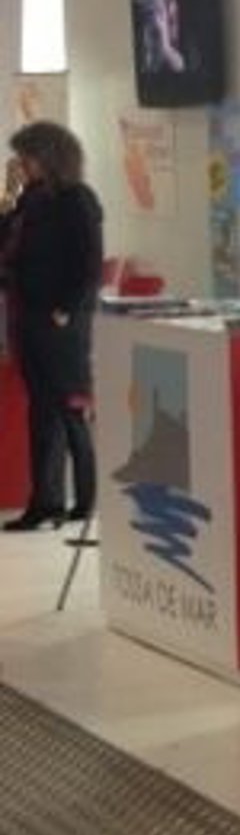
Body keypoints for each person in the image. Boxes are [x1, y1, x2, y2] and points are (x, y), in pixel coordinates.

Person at [1, 121, 105, 531]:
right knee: (41, 411)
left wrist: (67, 308)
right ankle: (45, 501)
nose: (23, 164)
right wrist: (9, 198)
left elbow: (89, 263)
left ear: (49, 157)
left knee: (71, 410)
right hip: (28, 317)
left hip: (62, 323)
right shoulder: (29, 201)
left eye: (27, 157)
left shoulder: (77, 200)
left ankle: (86, 500)